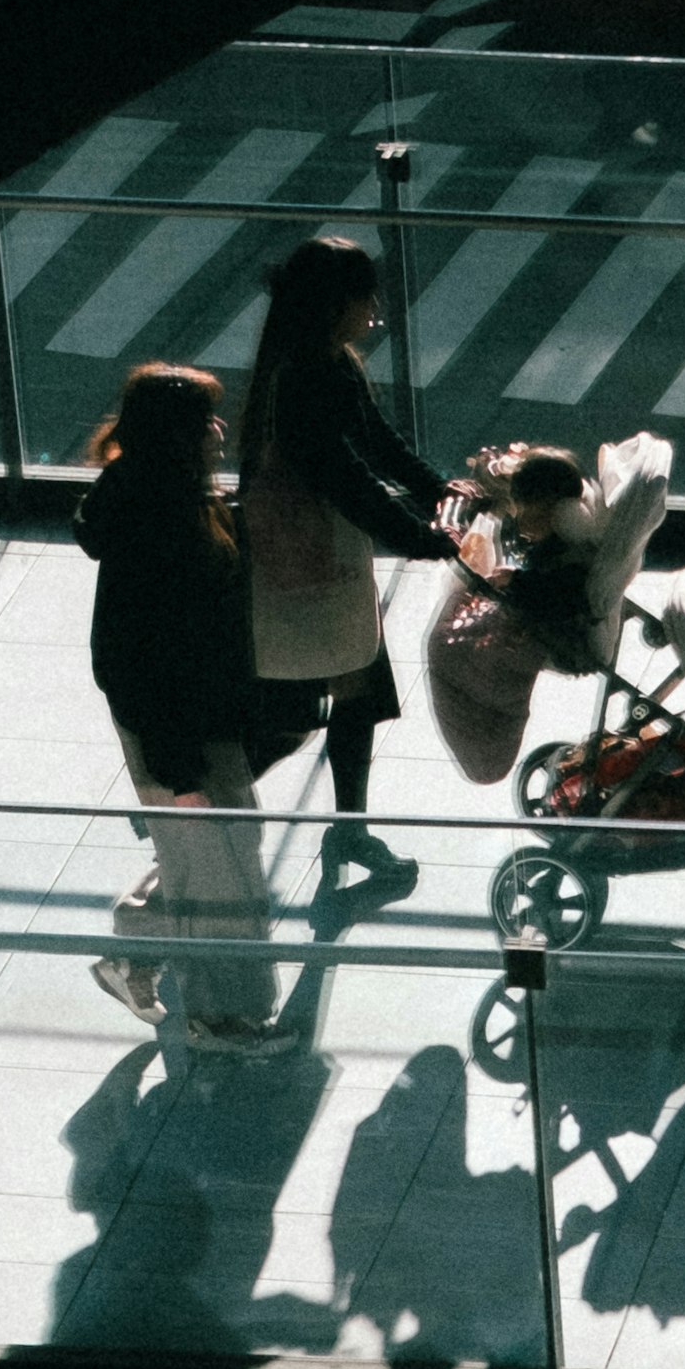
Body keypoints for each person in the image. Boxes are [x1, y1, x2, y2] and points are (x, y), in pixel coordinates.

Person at [236, 231, 462, 893]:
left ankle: (351, 826)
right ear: (337, 304)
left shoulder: (327, 360)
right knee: (294, 716)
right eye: (367, 299)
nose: (375, 313)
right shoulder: (306, 375)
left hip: (325, 561)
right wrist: (414, 532)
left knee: (356, 697)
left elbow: (373, 441)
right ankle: (190, 800)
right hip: (303, 570)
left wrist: (434, 489)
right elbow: (344, 475)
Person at [75, 360, 276, 1044]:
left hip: (197, 716)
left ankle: (133, 951)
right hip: (178, 728)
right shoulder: (156, 518)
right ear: (175, 436)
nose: (219, 430)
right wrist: (177, 772)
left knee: (220, 852)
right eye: (205, 420)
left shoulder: (176, 496)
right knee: (218, 870)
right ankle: (220, 1016)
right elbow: (138, 658)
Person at [424, 433, 676, 781]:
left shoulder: (567, 550)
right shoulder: (579, 530)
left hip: (565, 637)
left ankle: (487, 761)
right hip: (565, 621)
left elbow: (559, 595)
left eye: (523, 507)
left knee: (448, 643)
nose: (521, 519)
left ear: (544, 503)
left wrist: (515, 583)